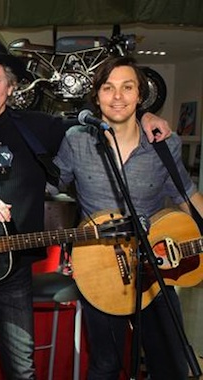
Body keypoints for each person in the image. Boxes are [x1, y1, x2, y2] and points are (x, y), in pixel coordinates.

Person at [0, 39, 173, 379]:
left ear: (11, 86)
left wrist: (147, 113)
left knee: (22, 367)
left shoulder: (37, 126)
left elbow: (101, 120)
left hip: (14, 268)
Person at [54, 55, 203, 380]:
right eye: (108, 88)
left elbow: (187, 196)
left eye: (127, 87)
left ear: (140, 95)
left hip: (154, 269)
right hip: (100, 270)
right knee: (106, 366)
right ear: (96, 96)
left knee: (172, 367)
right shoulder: (77, 140)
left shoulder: (163, 144)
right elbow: (49, 186)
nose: (118, 96)